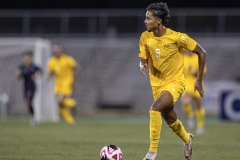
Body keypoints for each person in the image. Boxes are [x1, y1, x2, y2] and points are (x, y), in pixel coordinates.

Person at [139, 2, 206, 160]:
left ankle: (152, 152)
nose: (145, 21)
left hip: (176, 82)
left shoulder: (177, 38)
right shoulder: (145, 37)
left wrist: (199, 80)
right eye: (145, 18)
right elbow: (143, 58)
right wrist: (142, 65)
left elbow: (202, 53)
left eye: (149, 18)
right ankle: (187, 139)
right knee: (169, 118)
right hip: (156, 84)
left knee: (154, 109)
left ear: (159, 21)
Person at [47, 44, 79, 125]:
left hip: (66, 81)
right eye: (55, 51)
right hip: (58, 83)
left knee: (60, 100)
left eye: (58, 51)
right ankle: (71, 118)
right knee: (59, 104)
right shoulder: (52, 61)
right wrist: (48, 77)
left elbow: (76, 67)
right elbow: (51, 72)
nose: (56, 53)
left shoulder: (67, 59)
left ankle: (72, 104)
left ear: (61, 51)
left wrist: (73, 78)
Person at [182, 50, 207, 135]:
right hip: (186, 84)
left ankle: (200, 125)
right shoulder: (183, 58)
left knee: (198, 105)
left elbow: (203, 72)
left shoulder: (198, 58)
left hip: (197, 83)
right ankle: (190, 115)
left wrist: (193, 71)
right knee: (185, 103)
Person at [16, 51, 42, 126]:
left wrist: (36, 75)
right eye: (25, 58)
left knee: (29, 102)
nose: (26, 59)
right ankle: (33, 117)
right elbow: (19, 76)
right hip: (25, 86)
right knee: (28, 103)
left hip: (32, 86)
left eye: (28, 58)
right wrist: (18, 74)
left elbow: (40, 72)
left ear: (31, 58)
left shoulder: (33, 66)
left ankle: (33, 118)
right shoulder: (21, 67)